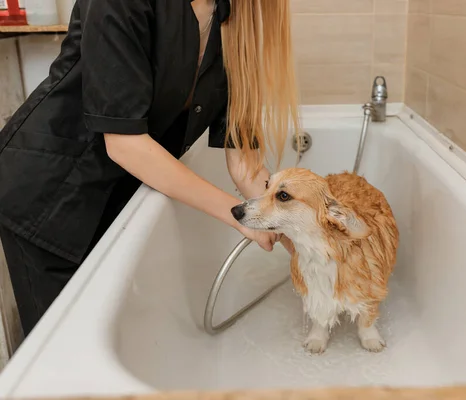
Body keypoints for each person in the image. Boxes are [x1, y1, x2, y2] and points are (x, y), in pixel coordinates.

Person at [0, 0, 300, 338]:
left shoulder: (230, 17)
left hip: (123, 201)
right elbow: (125, 144)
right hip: (49, 197)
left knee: (112, 339)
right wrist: (243, 218)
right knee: (65, 353)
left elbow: (245, 163)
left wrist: (297, 233)